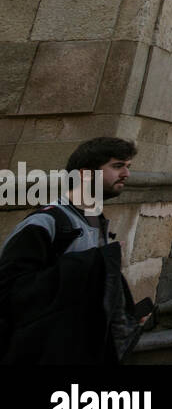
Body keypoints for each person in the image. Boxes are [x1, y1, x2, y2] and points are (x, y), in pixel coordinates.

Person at [0, 137, 152, 363]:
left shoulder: (95, 219)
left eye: (128, 167)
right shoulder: (46, 222)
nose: (126, 174)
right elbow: (11, 290)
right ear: (86, 174)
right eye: (117, 166)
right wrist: (96, 261)